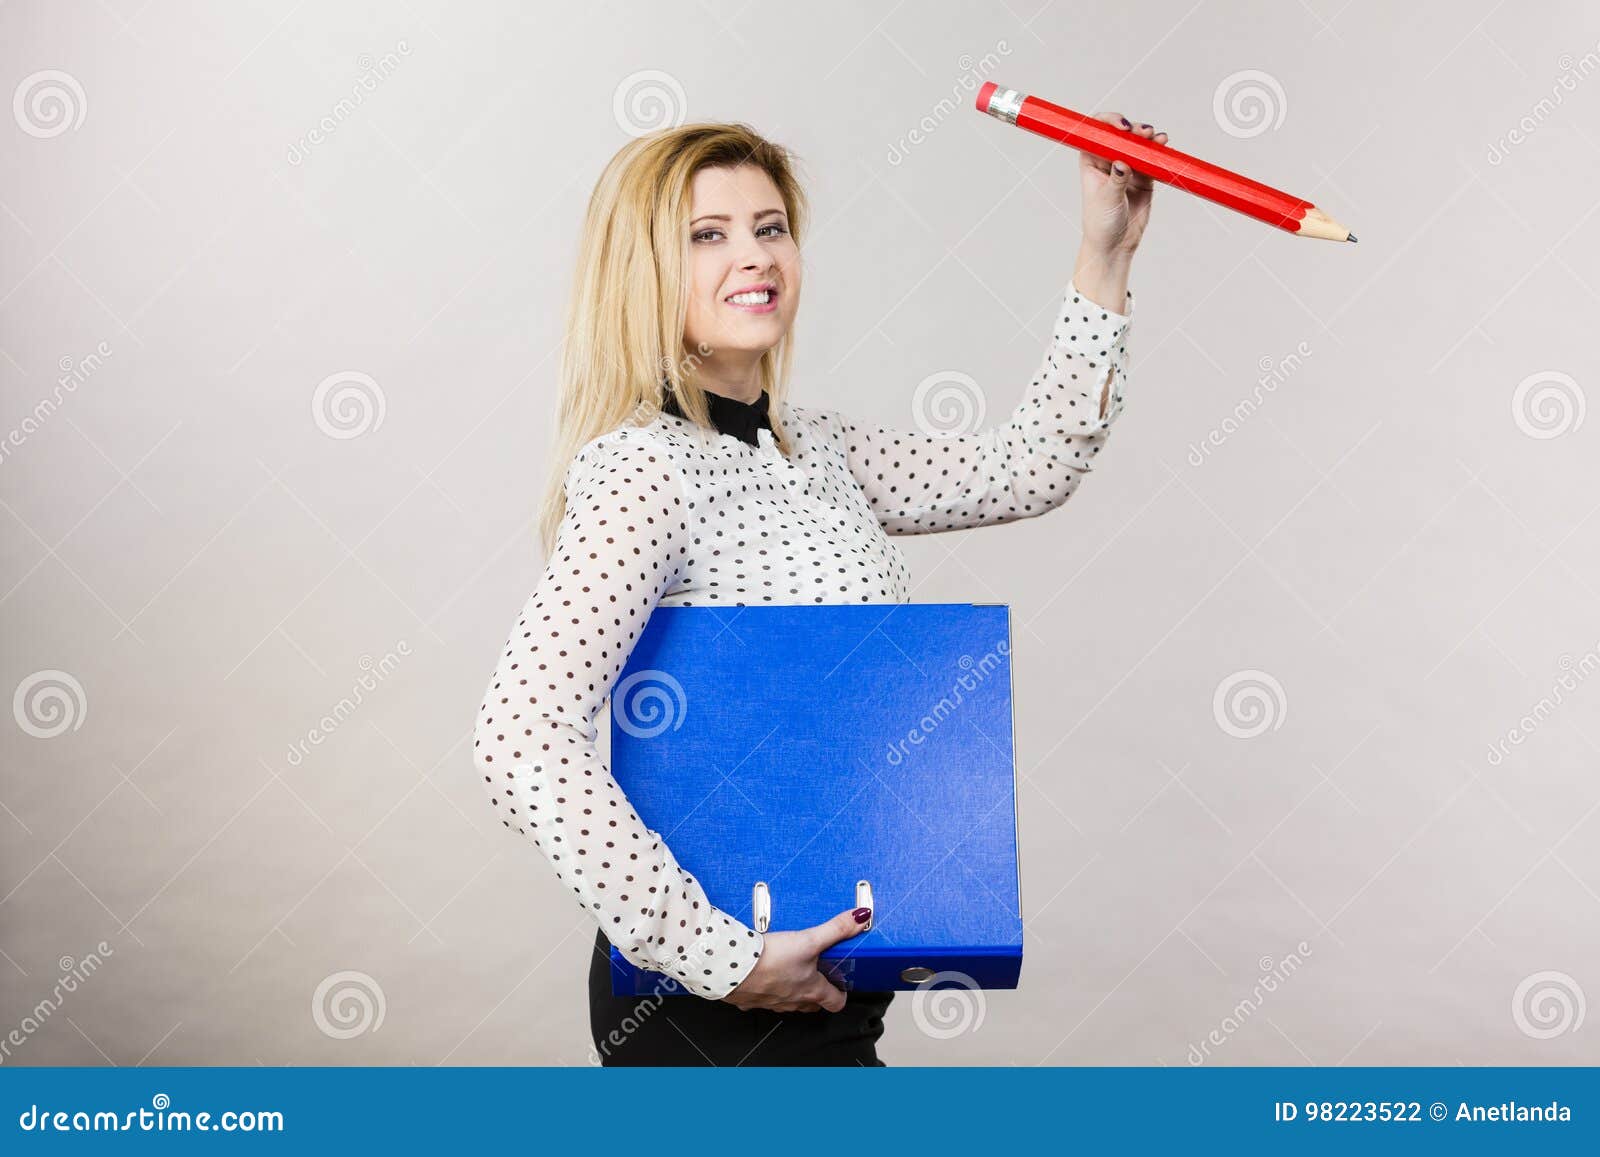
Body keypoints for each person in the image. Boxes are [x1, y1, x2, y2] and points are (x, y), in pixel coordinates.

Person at [472, 113, 1163, 1065]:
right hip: (716, 1019)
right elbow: (520, 736)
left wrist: (1106, 250)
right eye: (706, 234)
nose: (752, 256)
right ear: (641, 270)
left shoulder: (818, 448)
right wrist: (722, 956)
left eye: (770, 226)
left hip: (839, 987)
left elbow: (1030, 464)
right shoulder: (643, 469)